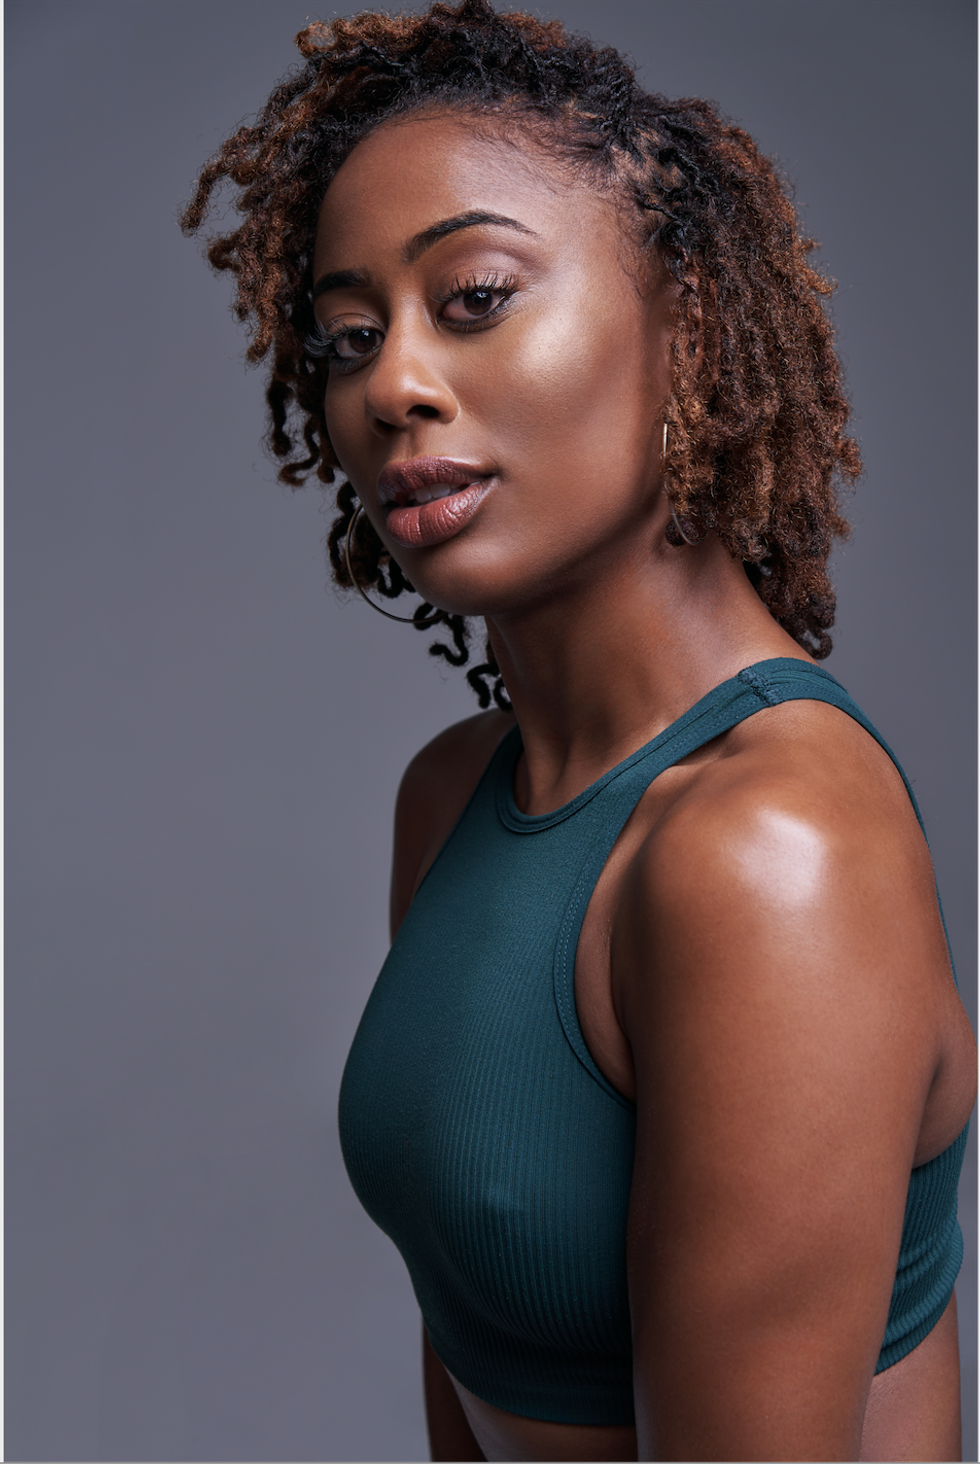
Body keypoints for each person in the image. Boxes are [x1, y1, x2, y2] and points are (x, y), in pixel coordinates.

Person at [182, 2, 975, 1457]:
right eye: (349, 337)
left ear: (688, 321)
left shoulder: (771, 852)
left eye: (474, 296)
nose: (392, 385)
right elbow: (462, 1333)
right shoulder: (453, 798)